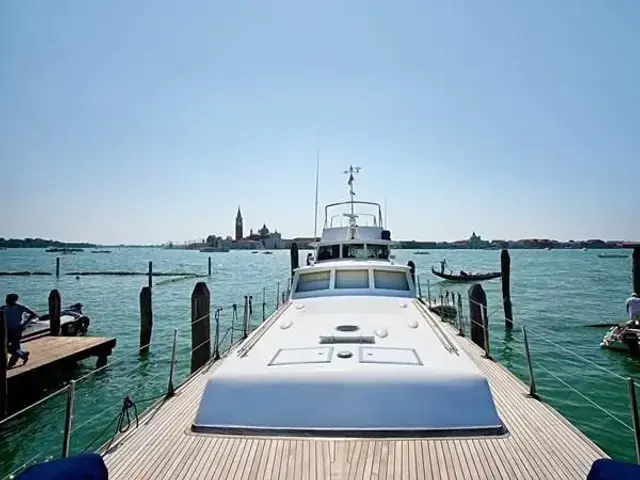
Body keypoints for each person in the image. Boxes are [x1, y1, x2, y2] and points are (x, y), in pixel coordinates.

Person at [1, 293, 38, 368]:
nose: (6, 300)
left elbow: (33, 314)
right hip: (6, 330)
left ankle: (11, 364)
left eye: (8, 299)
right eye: (6, 299)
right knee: (5, 346)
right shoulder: (3, 307)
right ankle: (22, 354)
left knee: (15, 346)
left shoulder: (20, 307)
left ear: (14, 300)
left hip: (16, 329)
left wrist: (24, 324)